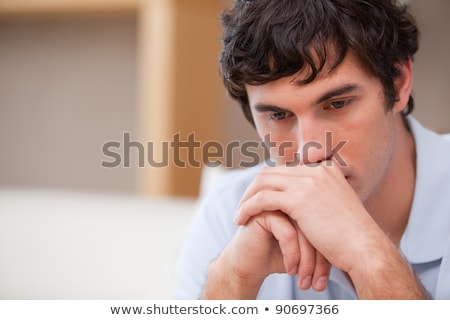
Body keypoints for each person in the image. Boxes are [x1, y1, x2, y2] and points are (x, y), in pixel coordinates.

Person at [174, 0, 450, 299]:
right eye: (278, 115)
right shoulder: (228, 210)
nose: (310, 152)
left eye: (337, 104)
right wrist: (235, 279)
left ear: (399, 83)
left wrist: (369, 256)